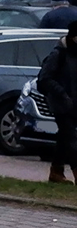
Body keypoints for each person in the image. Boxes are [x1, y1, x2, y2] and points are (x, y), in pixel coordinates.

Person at [36, 23, 77, 183]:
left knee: (64, 138)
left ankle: (56, 171)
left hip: (73, 102)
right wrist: (62, 93)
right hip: (60, 103)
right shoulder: (59, 53)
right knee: (72, 138)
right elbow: (45, 78)